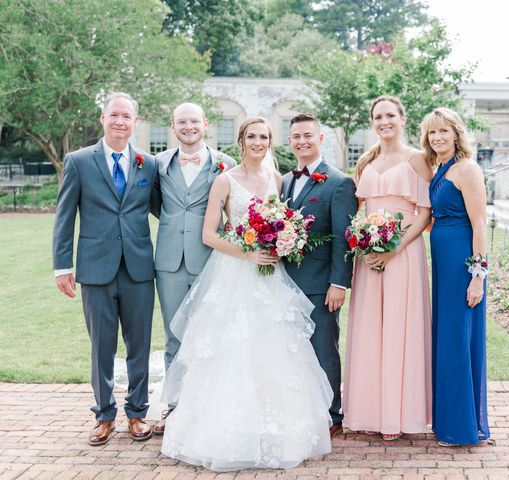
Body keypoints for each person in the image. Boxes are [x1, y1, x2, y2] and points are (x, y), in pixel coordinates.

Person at [160, 117, 333, 471]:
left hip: (270, 276)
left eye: (264, 137)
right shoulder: (225, 180)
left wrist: (285, 240)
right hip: (235, 272)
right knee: (231, 350)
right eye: (252, 136)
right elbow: (210, 234)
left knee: (274, 351)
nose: (258, 142)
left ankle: (274, 433)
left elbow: (285, 221)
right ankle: (226, 433)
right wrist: (248, 253)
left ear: (270, 142)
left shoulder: (277, 179)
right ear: (240, 140)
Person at [52, 92, 157, 446]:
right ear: (103, 118)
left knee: (139, 343)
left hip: (139, 268)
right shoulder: (79, 161)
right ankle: (104, 415)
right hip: (95, 269)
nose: (120, 122)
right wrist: (61, 266)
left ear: (135, 122)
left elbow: (168, 211)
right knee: (101, 346)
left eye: (127, 116)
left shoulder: (148, 163)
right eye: (114, 115)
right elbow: (65, 217)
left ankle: (138, 413)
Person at [342, 96, 433, 441]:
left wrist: (393, 248)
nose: (384, 121)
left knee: (399, 328)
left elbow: (424, 212)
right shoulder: (367, 161)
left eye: (390, 115)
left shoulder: (418, 159)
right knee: (369, 328)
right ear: (373, 121)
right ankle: (369, 412)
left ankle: (399, 416)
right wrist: (364, 244)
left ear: (402, 118)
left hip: (403, 253)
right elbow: (360, 212)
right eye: (378, 116)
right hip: (369, 256)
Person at [150, 103, 235, 435]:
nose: (189, 127)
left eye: (194, 121)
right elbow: (155, 204)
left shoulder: (224, 164)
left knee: (207, 334)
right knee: (174, 335)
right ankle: (175, 406)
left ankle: (205, 407)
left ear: (206, 124)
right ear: (173, 127)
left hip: (209, 261)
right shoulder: (157, 165)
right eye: (181, 122)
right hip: (168, 262)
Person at [281, 113, 358, 438]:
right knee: (291, 350)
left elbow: (344, 237)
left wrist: (338, 283)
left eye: (308, 135)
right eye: (296, 136)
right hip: (284, 283)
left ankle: (332, 414)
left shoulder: (340, 182)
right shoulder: (285, 180)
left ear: (321, 138)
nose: (302, 141)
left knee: (323, 348)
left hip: (320, 285)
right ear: (290, 141)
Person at [421, 107, 490, 446]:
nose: (437, 137)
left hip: (464, 265)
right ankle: (448, 420)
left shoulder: (467, 169)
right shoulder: (439, 168)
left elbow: (480, 223)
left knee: (459, 340)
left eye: (443, 131)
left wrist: (477, 276)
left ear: (456, 134)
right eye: (432, 132)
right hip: (444, 265)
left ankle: (462, 427)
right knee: (447, 339)